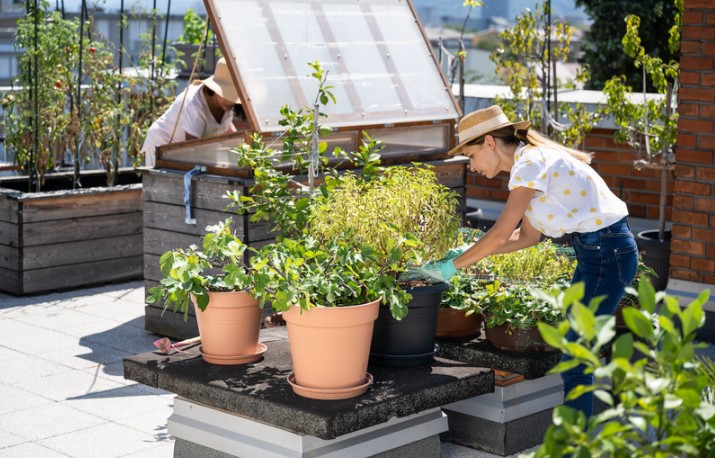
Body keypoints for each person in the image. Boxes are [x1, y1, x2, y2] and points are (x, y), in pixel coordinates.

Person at [421, 105, 638, 417]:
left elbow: (499, 233)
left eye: (471, 156)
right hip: (599, 253)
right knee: (577, 347)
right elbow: (525, 238)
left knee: (576, 357)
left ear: (490, 143)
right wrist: (464, 255)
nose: (472, 166)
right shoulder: (530, 164)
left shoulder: (530, 164)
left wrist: (452, 267)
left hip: (607, 252)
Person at [141, 57, 242, 168]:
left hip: (183, 152)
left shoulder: (225, 106)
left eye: (234, 96)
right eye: (227, 94)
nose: (231, 101)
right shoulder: (194, 104)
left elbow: (232, 136)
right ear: (215, 89)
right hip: (162, 145)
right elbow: (192, 151)